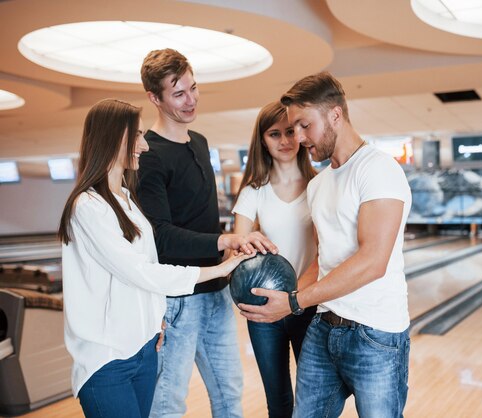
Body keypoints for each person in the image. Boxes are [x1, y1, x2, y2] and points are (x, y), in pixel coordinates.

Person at [59, 99, 251, 418]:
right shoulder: (87, 207)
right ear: (112, 137)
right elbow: (142, 272)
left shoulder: (128, 201)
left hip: (145, 349)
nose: (144, 146)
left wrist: (155, 318)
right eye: (136, 135)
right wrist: (220, 267)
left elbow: (148, 266)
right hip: (107, 362)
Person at [239, 72, 413, 418]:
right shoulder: (319, 186)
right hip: (323, 327)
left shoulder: (378, 169)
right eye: (292, 129)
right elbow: (322, 260)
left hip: (375, 335)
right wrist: (281, 301)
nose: (299, 138)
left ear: (335, 114)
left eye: (304, 126)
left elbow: (372, 261)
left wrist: (293, 301)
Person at [137, 48, 276, 418]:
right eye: (178, 93)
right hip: (178, 299)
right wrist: (223, 240)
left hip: (216, 294)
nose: (191, 100)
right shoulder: (149, 156)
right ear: (155, 98)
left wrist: (236, 240)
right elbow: (161, 236)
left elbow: (198, 217)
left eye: (193, 88)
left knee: (230, 396)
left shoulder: (199, 142)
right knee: (167, 405)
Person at [232, 101, 318, 418]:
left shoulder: (319, 186)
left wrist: (295, 298)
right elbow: (236, 251)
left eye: (291, 131)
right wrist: (245, 245)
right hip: (266, 310)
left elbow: (326, 253)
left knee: (312, 401)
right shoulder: (254, 191)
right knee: (278, 400)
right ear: (263, 140)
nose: (284, 141)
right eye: (274, 133)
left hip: (308, 304)